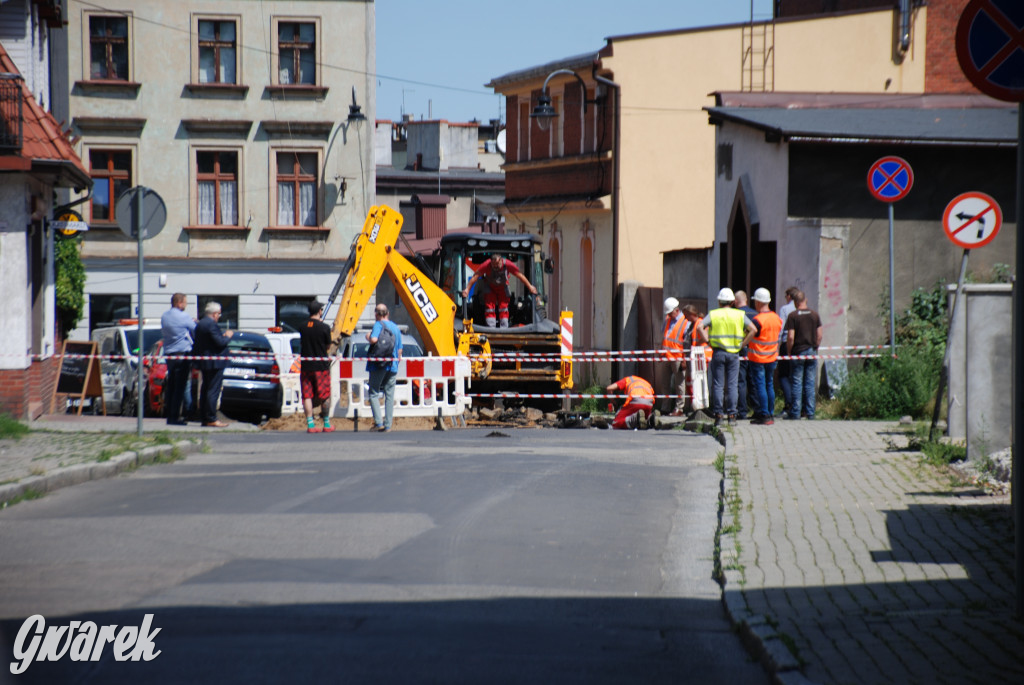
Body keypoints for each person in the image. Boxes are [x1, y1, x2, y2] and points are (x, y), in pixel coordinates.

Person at [699, 287, 757, 425]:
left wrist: (708, 341)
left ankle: (719, 415)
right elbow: (753, 330)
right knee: (732, 385)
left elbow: (699, 327)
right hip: (734, 353)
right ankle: (732, 416)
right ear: (732, 302)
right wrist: (743, 344)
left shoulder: (713, 314)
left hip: (718, 352)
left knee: (718, 385)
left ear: (719, 301)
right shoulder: (739, 315)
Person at [461, 253, 537, 328]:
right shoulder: (486, 265)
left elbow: (519, 275)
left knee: (504, 307)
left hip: (502, 287)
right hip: (490, 287)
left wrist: (530, 287)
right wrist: (467, 289)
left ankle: (504, 327)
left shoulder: (508, 264)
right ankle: (491, 327)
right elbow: (475, 276)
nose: (495, 266)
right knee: (489, 307)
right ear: (490, 261)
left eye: (497, 264)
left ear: (501, 260)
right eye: (493, 264)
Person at [192, 301, 234, 427]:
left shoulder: (201, 324)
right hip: (215, 363)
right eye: (219, 314)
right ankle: (211, 418)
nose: (219, 317)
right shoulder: (211, 324)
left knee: (205, 389)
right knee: (213, 390)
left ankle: (205, 417)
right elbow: (220, 342)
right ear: (215, 314)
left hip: (205, 362)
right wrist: (228, 336)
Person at [784, 290, 823, 420]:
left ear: (795, 302)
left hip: (798, 351)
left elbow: (790, 337)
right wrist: (815, 347)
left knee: (797, 382)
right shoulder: (814, 315)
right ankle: (810, 412)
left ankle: (795, 412)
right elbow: (819, 335)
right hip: (811, 351)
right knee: (810, 382)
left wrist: (789, 351)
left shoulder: (793, 316)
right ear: (805, 300)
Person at [747, 288, 784, 425]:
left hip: (758, 358)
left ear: (758, 302)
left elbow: (749, 334)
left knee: (760, 386)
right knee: (769, 385)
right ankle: (770, 413)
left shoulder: (757, 320)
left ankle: (764, 414)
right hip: (772, 357)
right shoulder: (776, 318)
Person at [299, 299, 334, 434]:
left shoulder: (302, 326)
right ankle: (326, 424)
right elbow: (328, 346)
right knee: (324, 395)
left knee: (307, 395)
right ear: (319, 311)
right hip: (321, 366)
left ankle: (310, 424)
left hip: (306, 365)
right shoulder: (324, 327)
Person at [366, 303, 403, 432]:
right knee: (389, 395)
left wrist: (368, 336)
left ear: (376, 314)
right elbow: (399, 350)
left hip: (379, 364)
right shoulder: (395, 328)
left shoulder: (378, 325)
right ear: (388, 313)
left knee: (373, 392)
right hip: (392, 364)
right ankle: (388, 425)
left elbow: (374, 340)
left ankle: (378, 422)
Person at [160, 293, 195, 426]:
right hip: (182, 354)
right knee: (180, 387)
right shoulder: (184, 316)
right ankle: (176, 416)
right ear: (179, 303)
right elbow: (195, 330)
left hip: (169, 354)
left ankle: (170, 415)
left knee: (171, 385)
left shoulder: (165, 316)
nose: (186, 305)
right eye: (185, 302)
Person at [734, 290, 760, 419]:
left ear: (735, 301)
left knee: (741, 380)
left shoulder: (735, 314)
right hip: (755, 349)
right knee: (753, 379)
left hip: (741, 349)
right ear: (746, 300)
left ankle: (742, 411)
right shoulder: (756, 314)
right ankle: (757, 409)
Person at [661, 297, 687, 416]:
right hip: (666, 356)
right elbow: (665, 337)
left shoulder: (685, 322)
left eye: (671, 312)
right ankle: (665, 407)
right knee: (665, 383)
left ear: (677, 310)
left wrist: (684, 359)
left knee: (679, 384)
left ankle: (679, 408)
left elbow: (686, 343)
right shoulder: (667, 320)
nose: (669, 315)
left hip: (678, 358)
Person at [777, 286, 798, 416]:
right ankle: (798, 406)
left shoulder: (785, 309)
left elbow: (781, 328)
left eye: (786, 296)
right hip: (799, 345)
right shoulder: (802, 309)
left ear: (789, 296)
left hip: (786, 343)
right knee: (796, 376)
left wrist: (777, 345)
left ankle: (788, 404)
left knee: (783, 375)